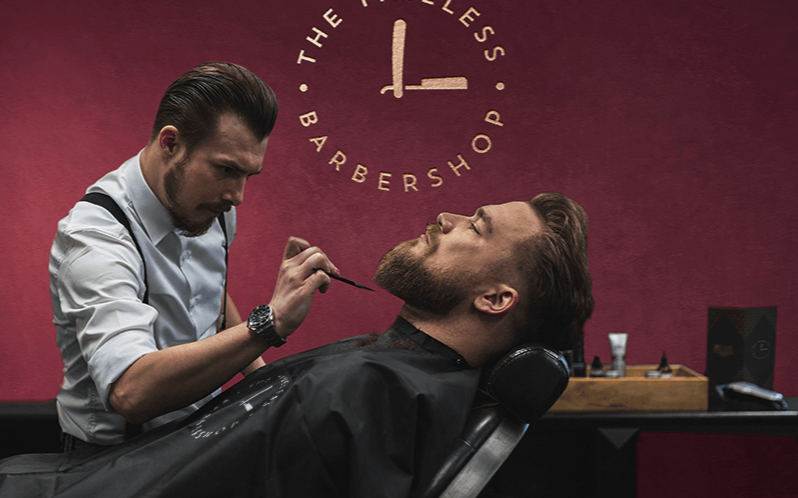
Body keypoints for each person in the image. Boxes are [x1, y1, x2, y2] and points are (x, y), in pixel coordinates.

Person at [1, 192, 593, 497]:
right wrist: (255, 317)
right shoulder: (392, 371)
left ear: (495, 299)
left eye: (477, 225)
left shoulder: (375, 387)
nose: (446, 215)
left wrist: (266, 324)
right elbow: (273, 412)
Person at [49, 62, 339, 450]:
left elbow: (209, 297)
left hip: (197, 438)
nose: (236, 196)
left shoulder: (210, 207)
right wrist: (270, 323)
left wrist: (265, 383)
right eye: (225, 169)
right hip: (110, 462)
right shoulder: (95, 238)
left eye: (248, 175)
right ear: (171, 143)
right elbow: (131, 393)